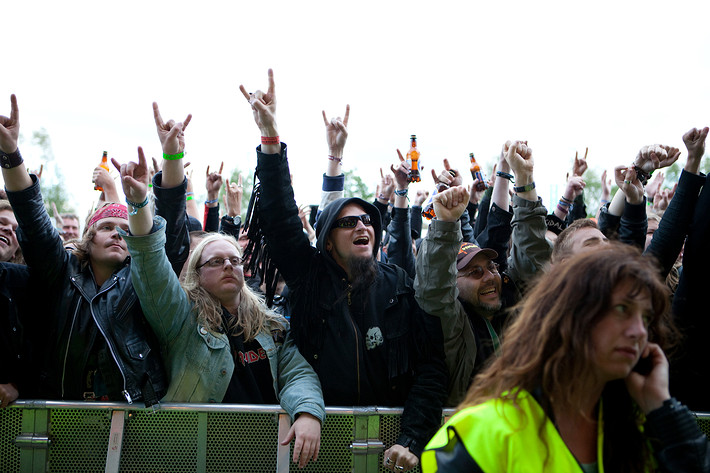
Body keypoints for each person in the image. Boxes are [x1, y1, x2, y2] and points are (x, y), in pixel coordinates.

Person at [242, 69, 447, 472]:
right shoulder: (310, 277)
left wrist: (412, 440)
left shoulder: (399, 286)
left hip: (392, 451)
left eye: (368, 221)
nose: (362, 226)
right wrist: (270, 137)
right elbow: (281, 219)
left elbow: (430, 369)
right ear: (328, 239)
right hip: (318, 448)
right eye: (348, 222)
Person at [114, 145, 324, 469]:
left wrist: (308, 411)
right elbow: (152, 268)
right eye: (216, 261)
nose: (228, 265)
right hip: (193, 458)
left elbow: (296, 372)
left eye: (234, 260)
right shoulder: (181, 318)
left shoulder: (271, 325)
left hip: (263, 457)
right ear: (196, 274)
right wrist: (140, 203)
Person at [421, 243, 709, 473]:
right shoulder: (484, 431)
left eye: (645, 317)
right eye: (622, 309)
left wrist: (662, 407)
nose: (638, 331)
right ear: (570, 315)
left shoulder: (645, 428)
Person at [1, 94, 167, 406]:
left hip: (128, 417)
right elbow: (34, 220)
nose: (118, 235)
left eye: (125, 232)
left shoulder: (141, 282)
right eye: (107, 228)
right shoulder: (61, 271)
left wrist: (141, 196)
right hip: (62, 412)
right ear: (87, 239)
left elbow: (158, 244)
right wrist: (10, 153)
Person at [414, 140, 550, 405]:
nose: (489, 277)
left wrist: (524, 180)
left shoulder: (517, 310)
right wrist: (445, 222)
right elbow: (433, 288)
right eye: (474, 272)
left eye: (491, 267)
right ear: (453, 284)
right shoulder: (453, 327)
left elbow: (533, 256)